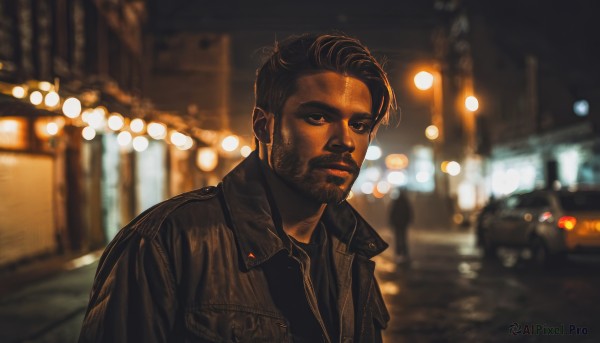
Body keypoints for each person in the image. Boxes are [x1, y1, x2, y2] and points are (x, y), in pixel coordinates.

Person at [79, 33, 396, 343]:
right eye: (317, 117)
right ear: (263, 126)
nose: (345, 141)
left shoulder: (353, 251)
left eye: (360, 125)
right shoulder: (168, 243)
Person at [389, 188, 413, 264]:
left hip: (397, 224)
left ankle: (399, 253)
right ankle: (404, 253)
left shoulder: (396, 202)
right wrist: (408, 221)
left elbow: (392, 213)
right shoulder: (406, 202)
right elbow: (409, 213)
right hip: (403, 224)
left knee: (398, 239)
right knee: (403, 238)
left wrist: (392, 222)